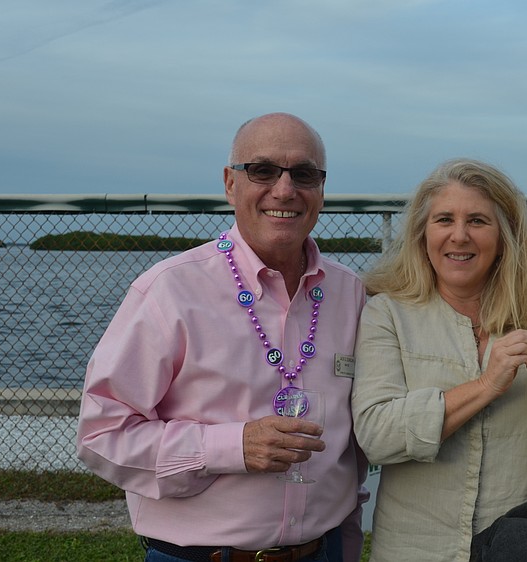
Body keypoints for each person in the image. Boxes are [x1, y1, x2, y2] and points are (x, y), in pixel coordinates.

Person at [76, 113, 368, 562]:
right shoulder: (169, 291)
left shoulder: (351, 293)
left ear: (322, 190)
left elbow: (350, 452)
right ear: (231, 183)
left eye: (304, 174)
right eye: (263, 170)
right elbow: (102, 434)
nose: (285, 190)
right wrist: (233, 446)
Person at [351, 158, 527, 562]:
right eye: (444, 220)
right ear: (422, 233)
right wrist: (486, 385)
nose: (459, 236)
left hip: (526, 547)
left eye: (477, 220)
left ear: (505, 235)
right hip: (412, 549)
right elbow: (376, 436)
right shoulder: (386, 313)